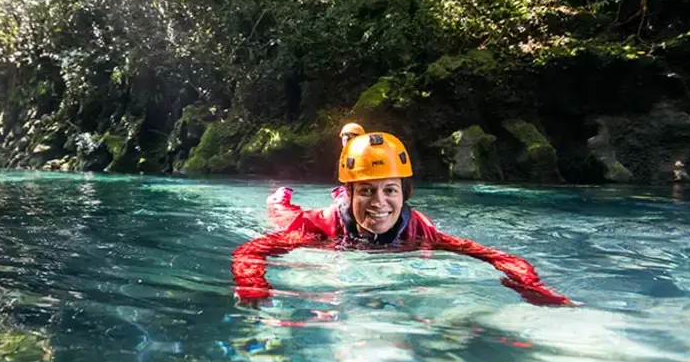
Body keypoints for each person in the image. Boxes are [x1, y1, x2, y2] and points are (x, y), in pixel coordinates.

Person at [239, 132, 573, 307]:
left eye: (390, 191)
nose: (380, 203)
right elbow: (250, 252)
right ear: (352, 194)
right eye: (366, 191)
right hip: (311, 217)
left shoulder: (418, 229)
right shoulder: (320, 226)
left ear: (405, 193)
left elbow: (494, 256)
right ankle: (279, 198)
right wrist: (254, 285)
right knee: (284, 216)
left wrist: (527, 284)